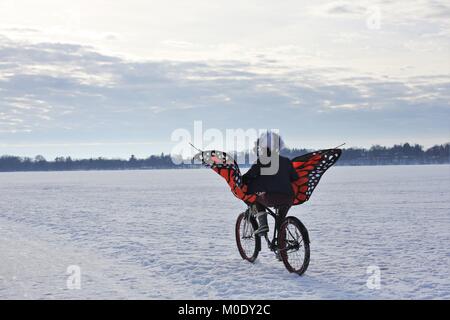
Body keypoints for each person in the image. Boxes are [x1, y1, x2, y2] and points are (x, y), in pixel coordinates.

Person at [242, 132, 299, 235]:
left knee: (256, 200)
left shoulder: (262, 161)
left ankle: (263, 225)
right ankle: (282, 246)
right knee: (280, 222)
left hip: (271, 197)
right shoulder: (286, 161)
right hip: (289, 197)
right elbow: (295, 178)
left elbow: (248, 176)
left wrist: (242, 180)